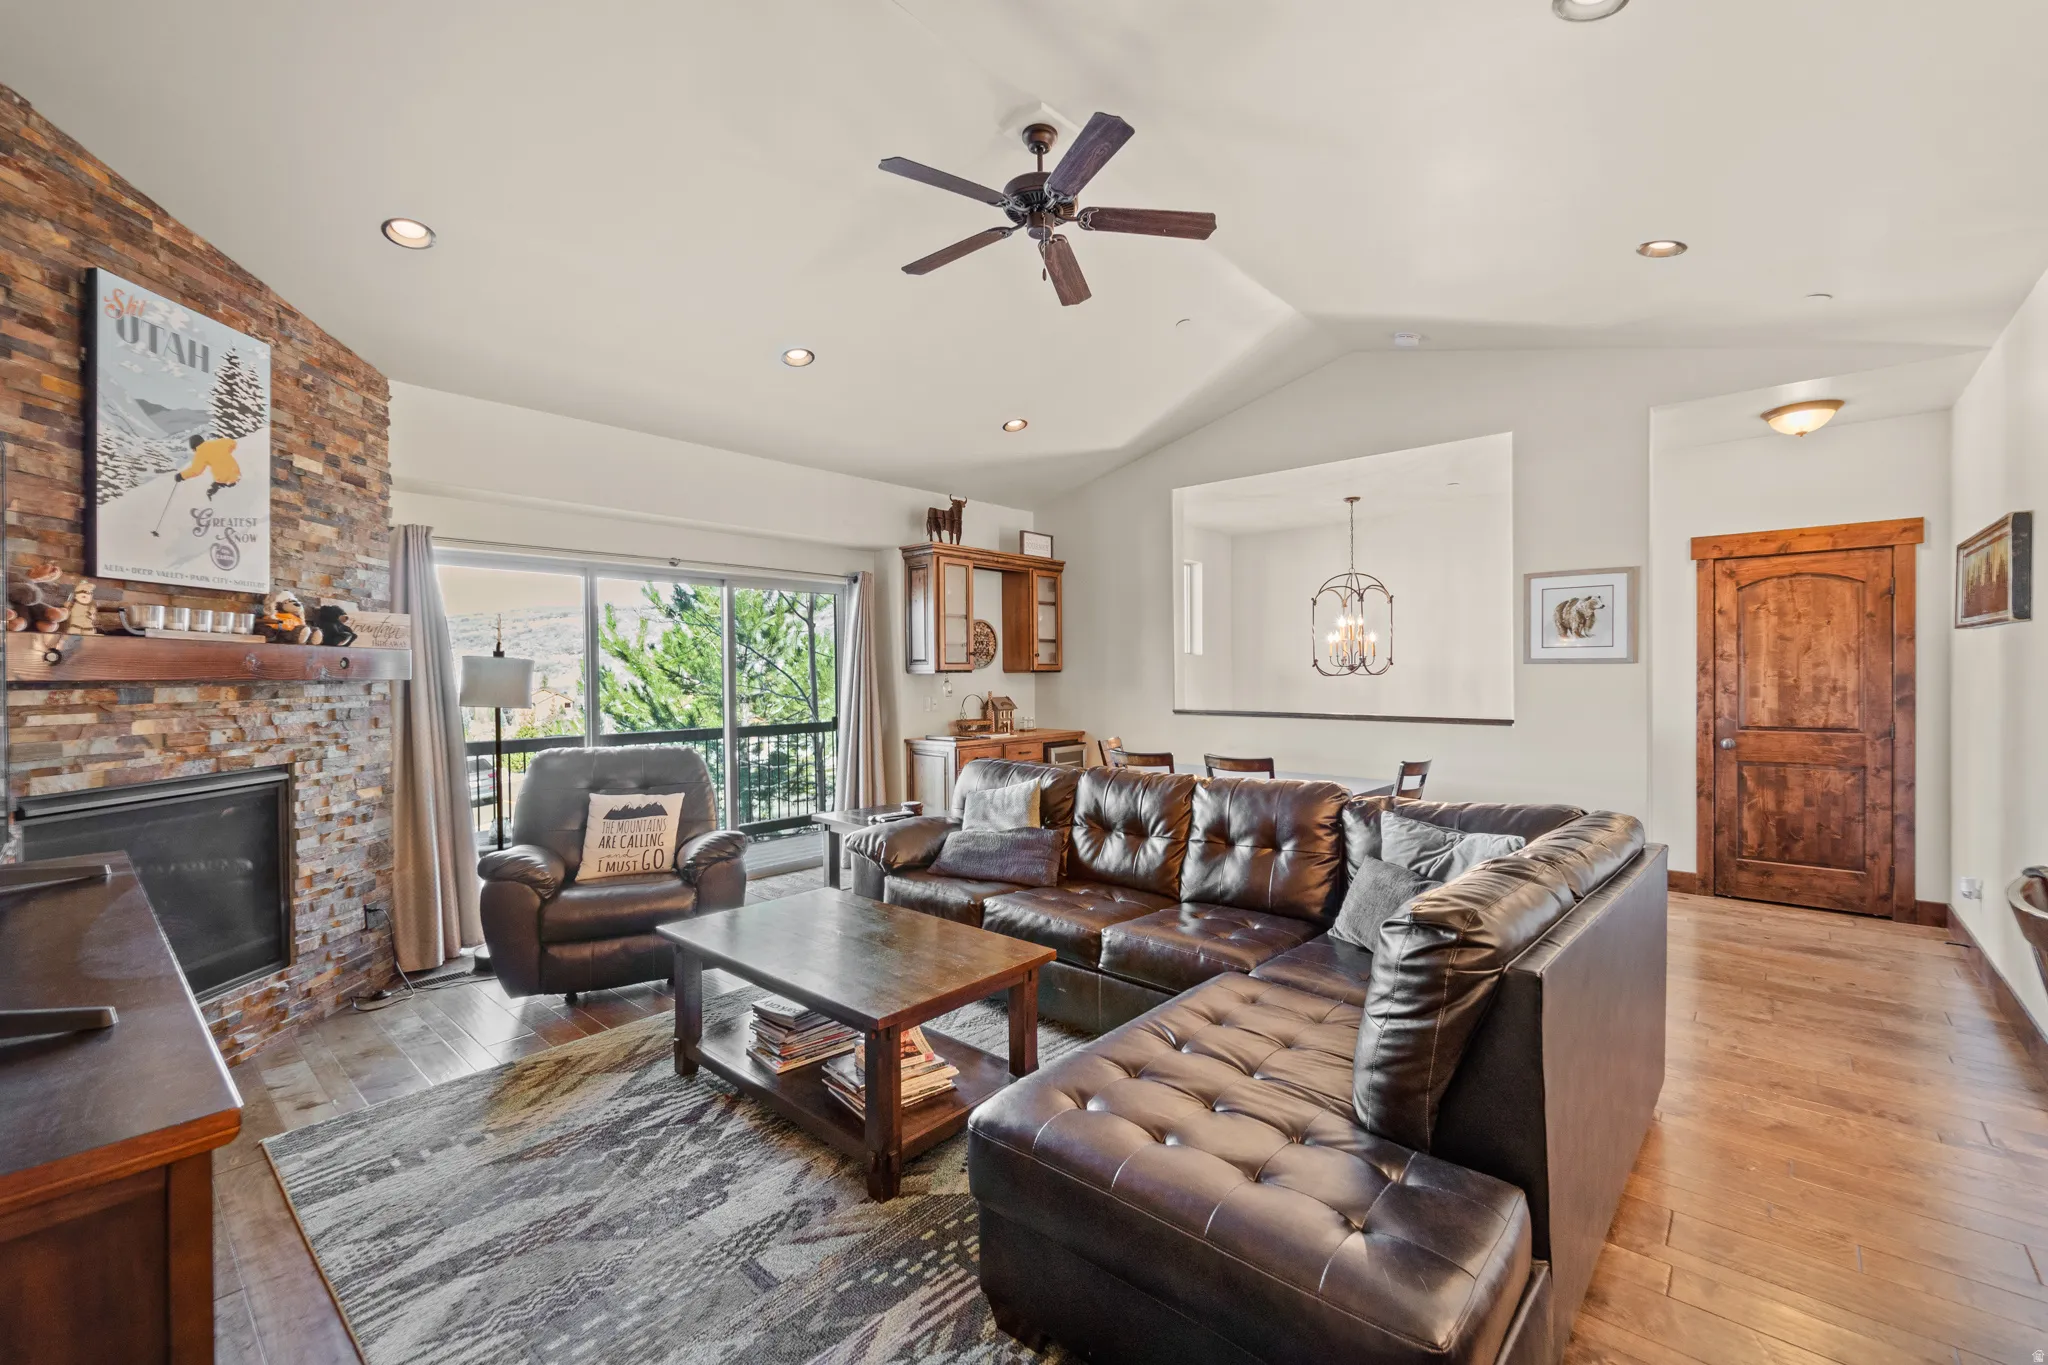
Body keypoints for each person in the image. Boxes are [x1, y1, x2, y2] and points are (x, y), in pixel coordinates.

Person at [179, 432, 240, 499]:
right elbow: (232, 442)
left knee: (211, 494)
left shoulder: (200, 453)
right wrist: (226, 452)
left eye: (193, 450)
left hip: (224, 479)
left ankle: (220, 508)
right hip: (236, 473)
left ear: (194, 446)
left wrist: (181, 476)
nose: (194, 451)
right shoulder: (217, 442)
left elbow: (195, 471)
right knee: (228, 492)